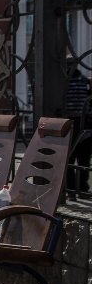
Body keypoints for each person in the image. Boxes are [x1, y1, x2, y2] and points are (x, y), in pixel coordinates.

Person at [66, 58, 91, 199]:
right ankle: (74, 189)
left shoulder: (84, 81)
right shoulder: (83, 81)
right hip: (74, 124)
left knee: (81, 159)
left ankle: (79, 189)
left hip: (81, 123)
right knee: (74, 159)